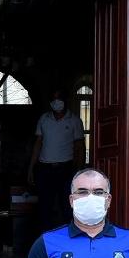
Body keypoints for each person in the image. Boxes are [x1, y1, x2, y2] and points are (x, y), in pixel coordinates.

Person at [28, 90, 86, 233]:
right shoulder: (44, 119)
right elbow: (37, 144)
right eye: (53, 99)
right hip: (45, 169)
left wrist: (79, 173)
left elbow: (80, 147)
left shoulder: (74, 120)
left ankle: (68, 238)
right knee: (44, 208)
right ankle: (45, 239)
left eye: (59, 98)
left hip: (65, 169)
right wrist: (31, 168)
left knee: (67, 207)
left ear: (65, 100)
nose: (56, 102)